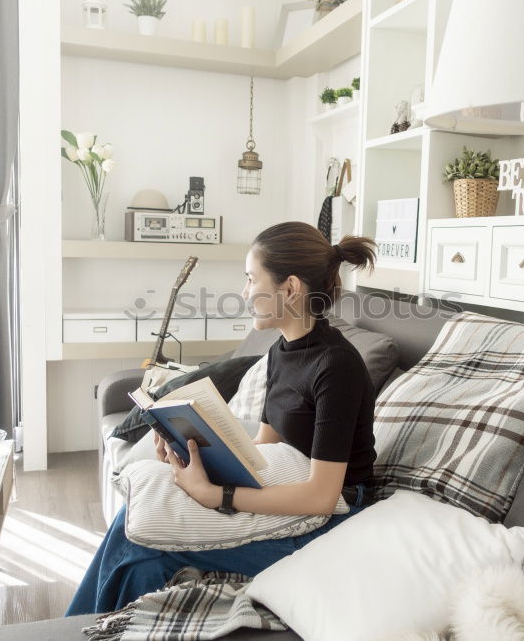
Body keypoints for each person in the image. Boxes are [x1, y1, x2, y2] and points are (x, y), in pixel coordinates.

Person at [66, 222, 380, 615]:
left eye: (251, 279)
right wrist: (188, 450)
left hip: (335, 518)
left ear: (291, 289)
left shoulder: (336, 366)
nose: (245, 292)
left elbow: (323, 496)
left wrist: (217, 496)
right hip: (291, 489)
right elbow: (265, 447)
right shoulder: (282, 352)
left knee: (143, 548)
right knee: (138, 515)